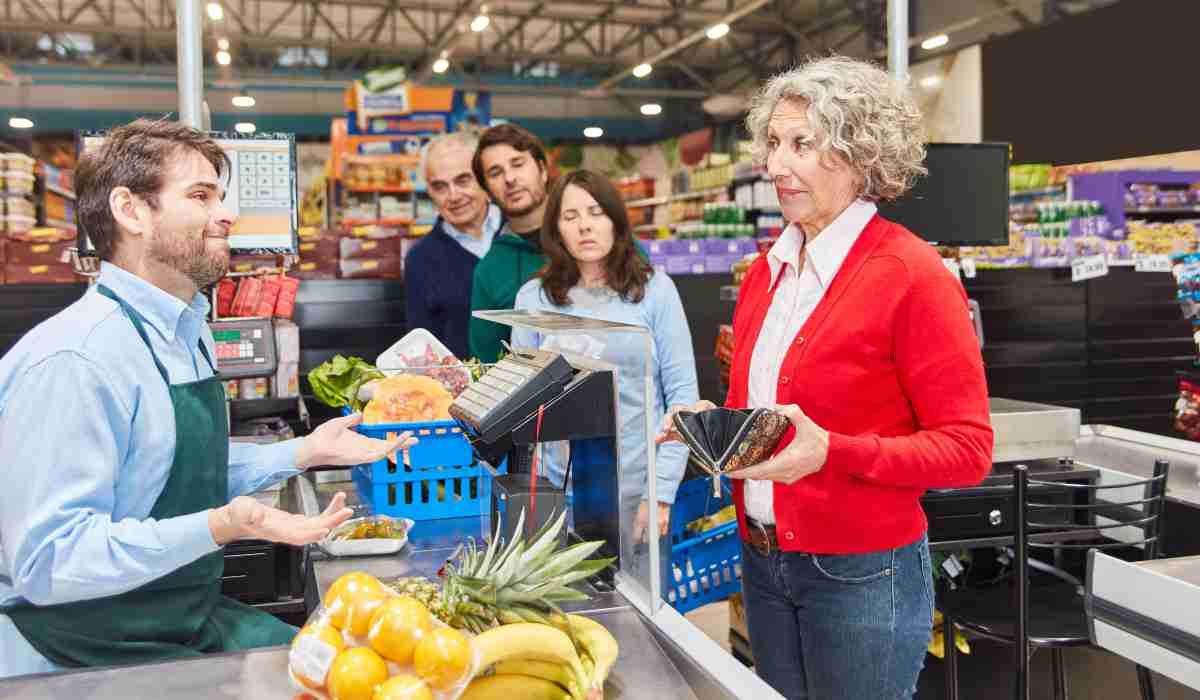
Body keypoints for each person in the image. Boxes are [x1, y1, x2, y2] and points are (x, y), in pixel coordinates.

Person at [0, 119, 414, 679]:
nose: (227, 214)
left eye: (221, 196)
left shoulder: (186, 328)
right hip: (80, 647)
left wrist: (303, 452)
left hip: (176, 618)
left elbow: (165, 466)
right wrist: (219, 526)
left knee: (354, 668)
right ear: (131, 210)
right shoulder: (76, 359)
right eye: (200, 196)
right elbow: (49, 561)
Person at [659, 56, 993, 699]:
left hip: (861, 573)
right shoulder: (766, 272)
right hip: (760, 561)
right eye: (774, 144)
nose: (776, 166)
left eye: (802, 145)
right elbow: (754, 412)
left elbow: (968, 449)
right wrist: (711, 428)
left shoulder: (912, 275)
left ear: (859, 152)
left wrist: (832, 452)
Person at [510, 169, 699, 552]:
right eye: (570, 216)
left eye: (595, 212)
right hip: (557, 491)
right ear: (556, 230)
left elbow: (683, 398)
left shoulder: (654, 291)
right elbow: (520, 404)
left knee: (636, 608)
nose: (584, 226)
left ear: (615, 219)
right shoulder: (534, 298)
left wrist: (660, 493)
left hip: (635, 490)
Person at [405, 131, 503, 359]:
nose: (453, 195)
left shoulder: (523, 235)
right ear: (429, 192)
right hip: (467, 391)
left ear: (483, 177)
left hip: (540, 388)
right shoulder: (421, 259)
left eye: (463, 180)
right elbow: (422, 349)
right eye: (440, 186)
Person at [468, 123, 552, 363]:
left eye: (518, 164)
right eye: (495, 173)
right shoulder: (490, 270)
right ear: (488, 192)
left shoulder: (596, 236)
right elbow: (485, 364)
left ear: (542, 169)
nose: (510, 179)